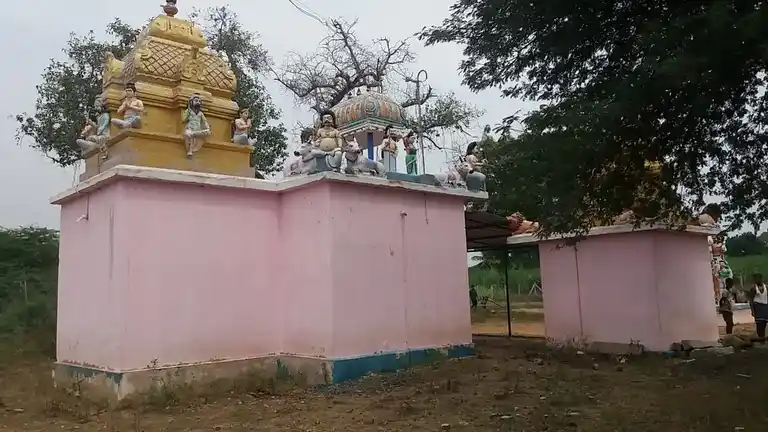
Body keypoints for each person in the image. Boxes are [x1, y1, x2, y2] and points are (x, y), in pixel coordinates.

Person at [748, 273, 768, 340]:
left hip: (765, 307)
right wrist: (752, 311)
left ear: (761, 279)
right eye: (755, 279)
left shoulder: (766, 287)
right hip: (758, 308)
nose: (755, 280)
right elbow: (751, 300)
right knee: (760, 325)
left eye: (756, 279)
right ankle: (760, 339)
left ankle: (763, 339)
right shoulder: (753, 288)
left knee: (765, 324)